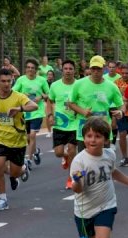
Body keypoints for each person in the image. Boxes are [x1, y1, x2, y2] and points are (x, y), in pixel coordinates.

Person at [0, 69, 38, 210]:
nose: (6, 84)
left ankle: (23, 170)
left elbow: (34, 106)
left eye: (9, 81)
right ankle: (3, 199)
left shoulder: (18, 97)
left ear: (12, 81)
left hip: (18, 141)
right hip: (0, 139)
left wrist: (19, 109)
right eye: (3, 81)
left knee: (14, 173)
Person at [68, 55, 123, 152]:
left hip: (104, 127)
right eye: (93, 68)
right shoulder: (79, 84)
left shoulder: (112, 86)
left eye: (99, 69)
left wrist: (121, 112)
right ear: (90, 69)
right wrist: (83, 111)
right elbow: (70, 103)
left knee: (105, 161)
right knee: (84, 161)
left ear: (104, 68)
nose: (96, 71)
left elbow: (121, 104)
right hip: (85, 127)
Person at [46, 59, 78, 189]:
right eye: (66, 69)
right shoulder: (55, 86)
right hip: (60, 124)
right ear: (62, 70)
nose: (68, 71)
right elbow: (49, 101)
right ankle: (65, 157)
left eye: (71, 69)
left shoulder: (79, 85)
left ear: (74, 71)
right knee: (58, 152)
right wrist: (50, 115)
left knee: (72, 149)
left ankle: (71, 178)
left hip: (75, 123)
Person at [13, 58, 49, 168]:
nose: (30, 70)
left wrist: (41, 97)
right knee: (27, 138)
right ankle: (35, 150)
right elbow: (13, 93)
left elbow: (48, 94)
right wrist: (22, 94)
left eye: (32, 68)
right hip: (25, 112)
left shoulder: (42, 80)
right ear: (25, 69)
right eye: (28, 67)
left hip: (37, 112)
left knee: (32, 135)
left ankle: (28, 159)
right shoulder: (21, 80)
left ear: (36, 70)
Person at [114, 63, 128, 166]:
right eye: (122, 73)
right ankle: (124, 157)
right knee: (122, 134)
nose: (124, 75)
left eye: (127, 73)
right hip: (122, 113)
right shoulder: (116, 82)